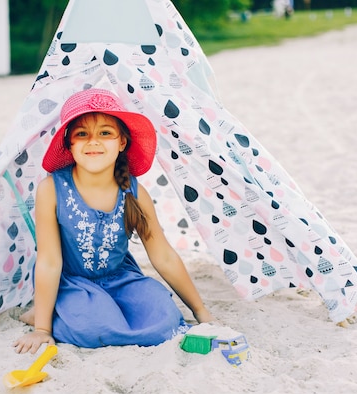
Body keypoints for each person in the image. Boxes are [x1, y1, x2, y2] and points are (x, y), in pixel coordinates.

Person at [13, 88, 214, 354]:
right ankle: (43, 312)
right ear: (69, 144)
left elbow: (163, 256)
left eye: (105, 133)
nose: (93, 142)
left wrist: (201, 313)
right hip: (72, 282)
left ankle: (88, 311)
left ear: (122, 142)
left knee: (164, 320)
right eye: (81, 134)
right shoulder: (51, 189)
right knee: (93, 328)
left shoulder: (133, 191)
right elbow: (50, 260)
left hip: (121, 279)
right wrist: (42, 329)